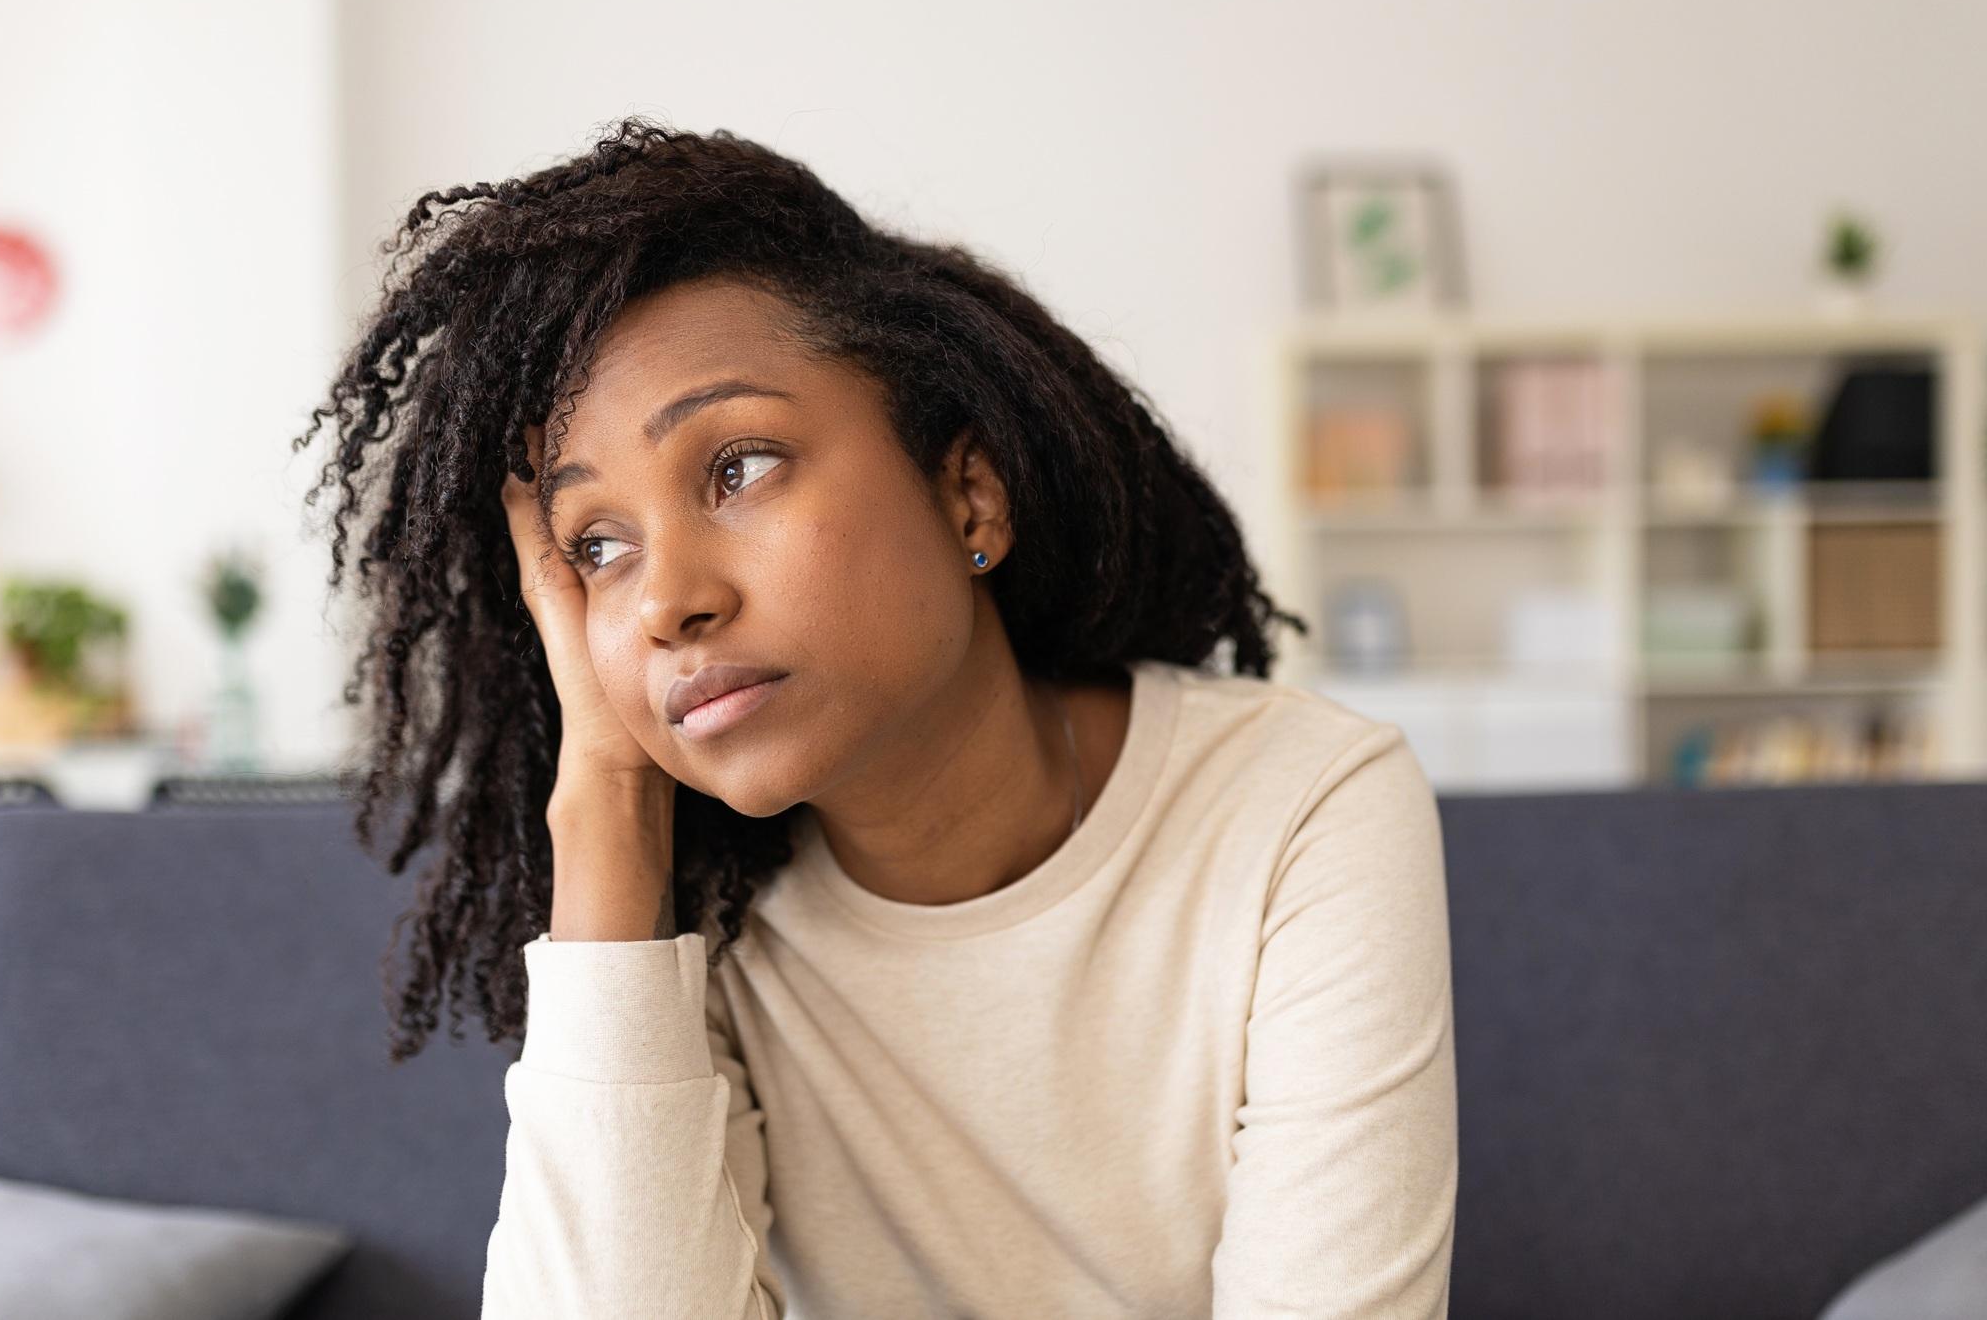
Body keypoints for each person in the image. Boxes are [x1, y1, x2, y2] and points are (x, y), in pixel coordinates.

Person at [294, 116, 1457, 1318]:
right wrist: (604, 808)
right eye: (597, 547)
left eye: (736, 466)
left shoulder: (1299, 805)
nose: (666, 602)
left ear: (968, 493)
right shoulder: (697, 925)